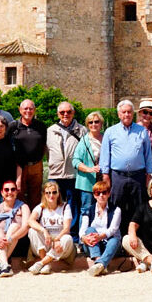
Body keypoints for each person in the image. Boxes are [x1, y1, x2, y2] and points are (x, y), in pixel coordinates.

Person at [100, 100, 152, 228]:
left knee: (139, 207)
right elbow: (105, 155)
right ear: (119, 114)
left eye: (129, 112)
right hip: (118, 176)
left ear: (133, 114)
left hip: (138, 176)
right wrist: (105, 175)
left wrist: (149, 174)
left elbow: (148, 154)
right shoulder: (110, 131)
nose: (127, 115)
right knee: (117, 207)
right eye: (123, 112)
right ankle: (118, 237)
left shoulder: (142, 131)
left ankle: (137, 236)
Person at [46, 101, 85, 236]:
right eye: (62, 112)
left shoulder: (82, 130)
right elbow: (47, 152)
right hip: (55, 174)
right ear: (58, 114)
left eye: (68, 112)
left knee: (73, 205)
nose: (65, 114)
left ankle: (72, 235)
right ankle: (55, 233)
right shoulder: (50, 130)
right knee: (54, 205)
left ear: (73, 113)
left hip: (73, 174)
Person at [27, 181, 75, 274]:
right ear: (44, 194)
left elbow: (66, 229)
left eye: (54, 192)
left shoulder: (65, 207)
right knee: (32, 231)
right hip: (46, 243)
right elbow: (30, 221)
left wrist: (57, 239)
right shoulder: (40, 207)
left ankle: (41, 263)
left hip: (60, 245)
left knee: (68, 238)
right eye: (48, 193)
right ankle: (46, 264)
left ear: (58, 194)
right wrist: (44, 231)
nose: (51, 195)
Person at [0, 181, 31, 277]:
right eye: (6, 189)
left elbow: (25, 227)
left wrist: (10, 238)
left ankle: (1, 263)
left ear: (16, 192)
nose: (9, 192)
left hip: (18, 242)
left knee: (15, 226)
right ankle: (5, 265)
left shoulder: (23, 207)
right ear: (2, 192)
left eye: (13, 189)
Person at [80, 180, 123, 276]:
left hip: (110, 246)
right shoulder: (88, 210)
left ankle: (99, 265)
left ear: (109, 194)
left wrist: (99, 237)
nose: (101, 195)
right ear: (94, 195)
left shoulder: (116, 210)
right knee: (90, 230)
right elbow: (82, 230)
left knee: (115, 240)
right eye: (97, 193)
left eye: (104, 192)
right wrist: (84, 238)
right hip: (93, 246)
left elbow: (113, 229)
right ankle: (99, 261)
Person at [12, 99, 48, 208]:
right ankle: (21, 220)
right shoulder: (13, 126)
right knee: (19, 194)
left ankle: (34, 220)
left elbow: (45, 145)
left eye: (31, 109)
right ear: (20, 110)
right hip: (19, 167)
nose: (28, 111)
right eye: (25, 108)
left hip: (36, 165)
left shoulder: (41, 126)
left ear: (34, 110)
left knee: (36, 195)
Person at [73, 111, 104, 228]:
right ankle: (83, 239)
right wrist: (89, 169)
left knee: (103, 210)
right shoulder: (84, 141)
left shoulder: (106, 138)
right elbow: (75, 161)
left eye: (96, 122)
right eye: (90, 122)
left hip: (103, 181)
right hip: (87, 183)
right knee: (86, 211)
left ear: (101, 123)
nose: (94, 124)